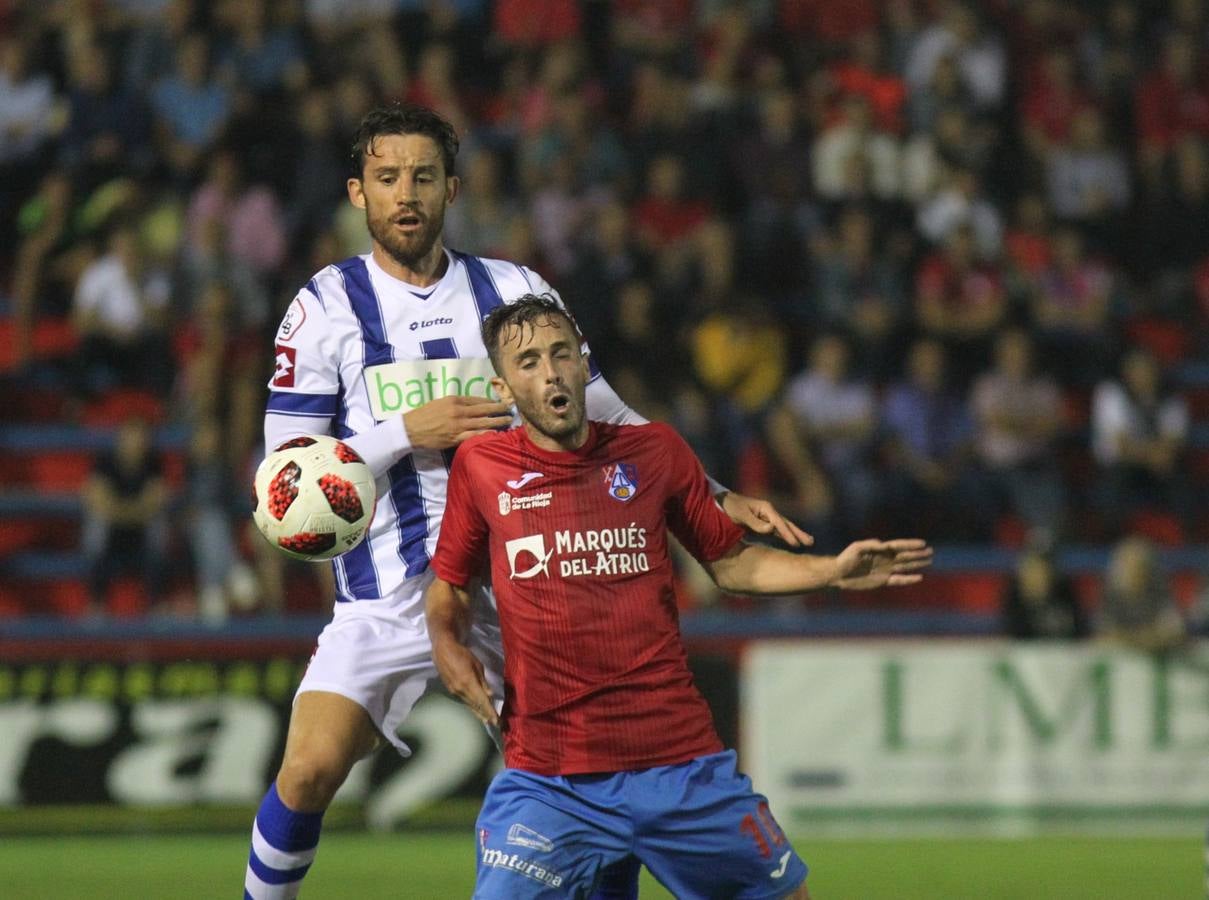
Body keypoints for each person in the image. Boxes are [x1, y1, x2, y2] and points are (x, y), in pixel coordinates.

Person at [244, 104, 808, 899]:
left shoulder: (512, 288)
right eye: (386, 178)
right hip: (390, 594)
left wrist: (713, 490)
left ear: (452, 189)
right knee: (306, 772)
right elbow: (280, 475)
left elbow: (606, 411)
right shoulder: (326, 306)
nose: (405, 193)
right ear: (357, 193)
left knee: (591, 789)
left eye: (423, 177)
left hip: (530, 588)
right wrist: (407, 430)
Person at [426, 295, 933, 898]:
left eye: (561, 354)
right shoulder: (482, 466)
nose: (550, 371)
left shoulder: (655, 451)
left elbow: (733, 563)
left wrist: (832, 571)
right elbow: (449, 587)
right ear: (503, 387)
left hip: (678, 764)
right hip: (551, 777)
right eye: (529, 362)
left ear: (584, 366)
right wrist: (444, 643)